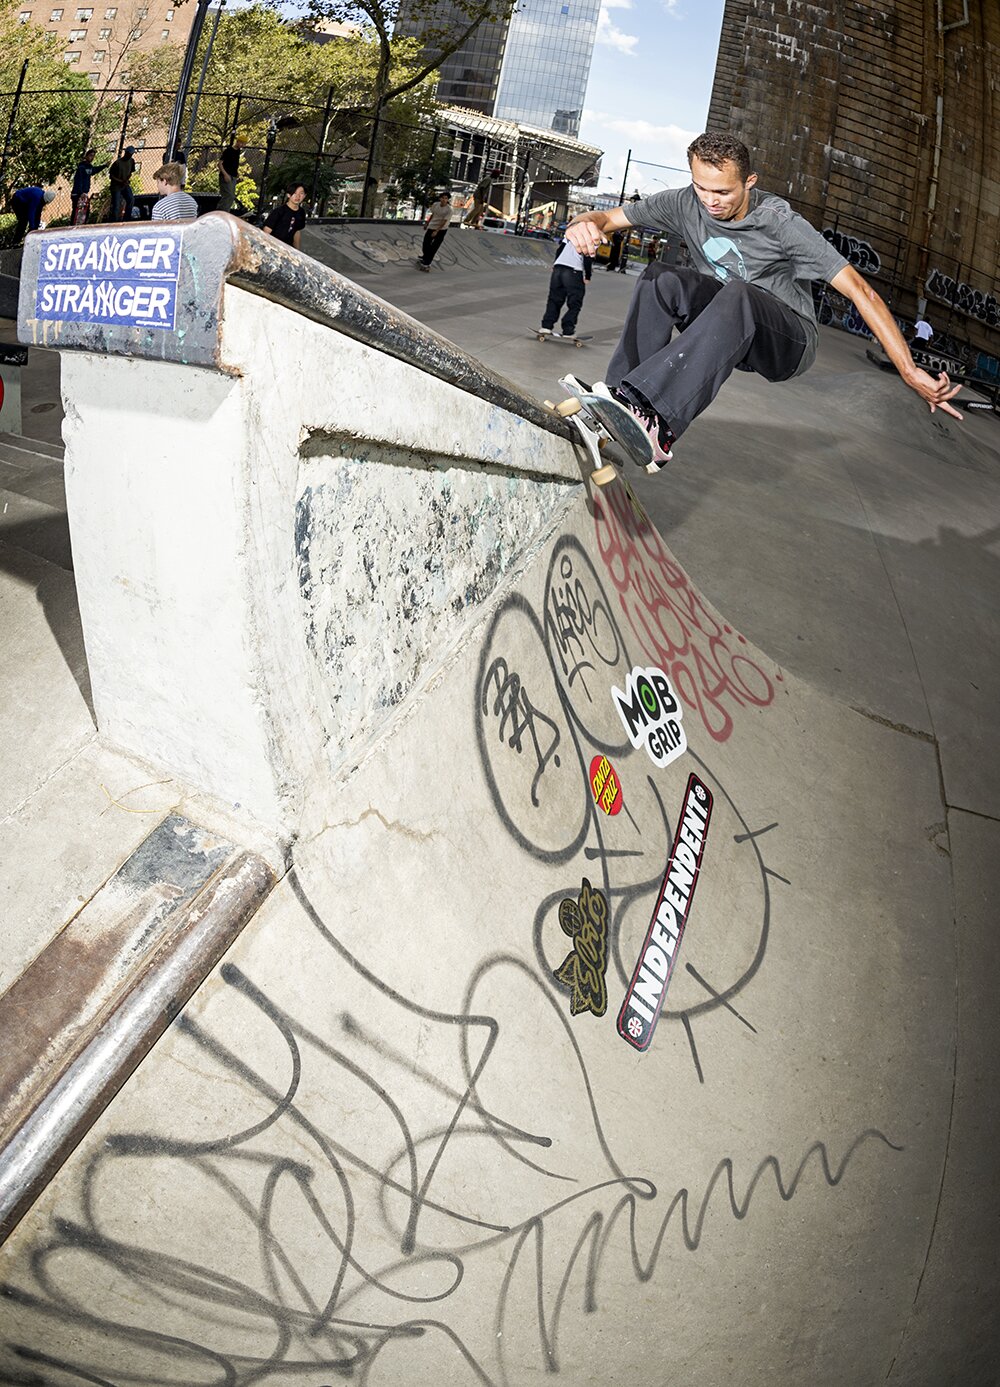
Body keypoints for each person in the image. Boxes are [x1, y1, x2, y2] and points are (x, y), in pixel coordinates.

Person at [565, 131, 962, 467]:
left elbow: (862, 291)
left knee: (740, 294)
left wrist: (909, 370)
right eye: (702, 188)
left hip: (788, 340)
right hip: (727, 326)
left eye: (723, 192)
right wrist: (580, 225)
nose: (710, 201)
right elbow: (605, 219)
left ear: (749, 182)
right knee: (659, 278)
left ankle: (660, 427)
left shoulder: (779, 221)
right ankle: (617, 405)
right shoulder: (683, 202)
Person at [539, 237, 593, 340]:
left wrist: (555, 264)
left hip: (558, 268)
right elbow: (587, 257)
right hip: (573, 270)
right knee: (575, 302)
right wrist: (588, 276)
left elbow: (560, 249)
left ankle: (546, 326)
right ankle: (568, 330)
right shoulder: (590, 237)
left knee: (554, 299)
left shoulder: (570, 234)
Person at [262, 183, 307, 249]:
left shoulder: (301, 212)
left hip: (288, 249)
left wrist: (297, 251)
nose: (298, 196)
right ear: (288, 195)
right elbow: (266, 231)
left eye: (301, 193)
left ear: (304, 196)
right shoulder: (278, 211)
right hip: (273, 247)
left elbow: (296, 232)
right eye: (294, 193)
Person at [71, 148, 107, 225]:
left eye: (93, 156)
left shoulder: (90, 167)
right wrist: (81, 192)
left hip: (84, 193)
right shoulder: (81, 167)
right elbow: (79, 180)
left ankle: (81, 225)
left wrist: (104, 166)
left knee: (85, 211)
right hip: (78, 193)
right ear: (86, 156)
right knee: (76, 211)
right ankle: (72, 225)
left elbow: (95, 170)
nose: (92, 158)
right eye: (90, 155)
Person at [418, 192, 452, 270]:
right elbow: (433, 215)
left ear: (448, 200)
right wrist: (427, 223)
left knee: (434, 246)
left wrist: (437, 231)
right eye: (442, 198)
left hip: (442, 229)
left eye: (446, 198)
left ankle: (427, 263)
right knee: (426, 243)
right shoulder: (435, 205)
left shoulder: (449, 210)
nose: (444, 200)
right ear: (440, 198)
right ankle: (425, 256)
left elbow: (444, 221)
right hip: (432, 226)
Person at [108, 146, 137, 222]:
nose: (130, 156)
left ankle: (126, 219)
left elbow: (130, 172)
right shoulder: (117, 163)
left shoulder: (131, 161)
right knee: (116, 206)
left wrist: (126, 180)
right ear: (126, 153)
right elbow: (111, 176)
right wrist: (121, 181)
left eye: (131, 154)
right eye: (129, 154)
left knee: (131, 199)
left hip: (124, 185)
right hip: (116, 186)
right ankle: (114, 221)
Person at [218, 136, 243, 213]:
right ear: (237, 141)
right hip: (226, 176)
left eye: (244, 144)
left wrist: (237, 174)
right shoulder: (228, 151)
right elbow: (219, 164)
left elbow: (234, 164)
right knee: (228, 195)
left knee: (231, 196)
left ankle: (225, 212)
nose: (242, 145)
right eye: (241, 143)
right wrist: (225, 174)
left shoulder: (238, 151)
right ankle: (220, 212)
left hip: (233, 176)